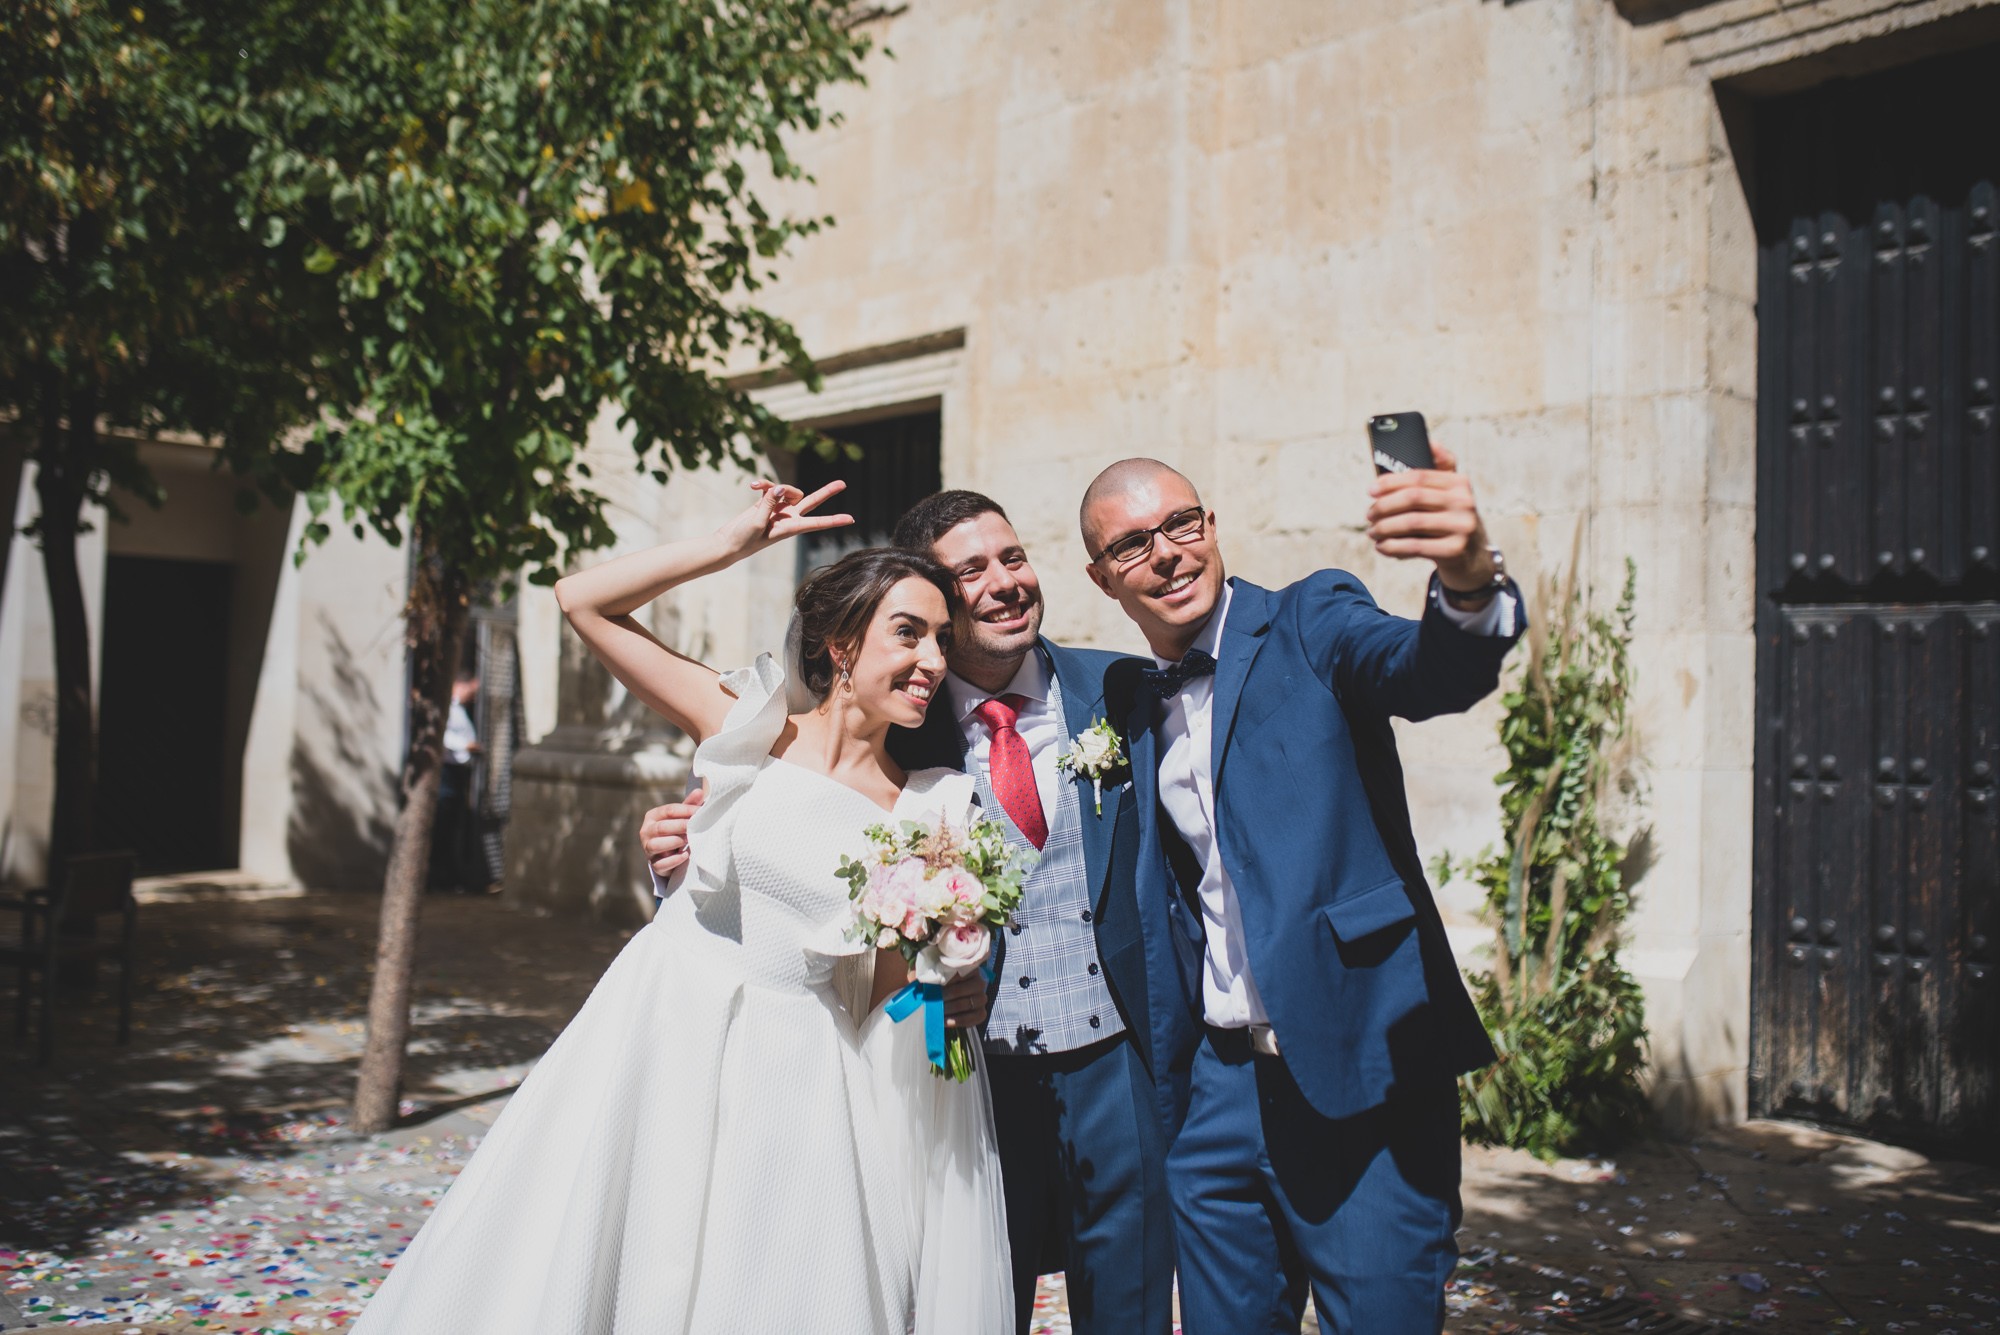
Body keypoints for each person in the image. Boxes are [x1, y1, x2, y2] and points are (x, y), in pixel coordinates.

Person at [352, 480, 1014, 1335]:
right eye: (908, 632)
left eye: (941, 640)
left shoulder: (929, 810)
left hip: (800, 1074)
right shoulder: (750, 725)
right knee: (588, 1260)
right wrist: (732, 543)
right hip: (660, 1027)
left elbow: (885, 998)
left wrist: (949, 979)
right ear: (842, 645)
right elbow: (581, 601)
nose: (931, 660)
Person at [641, 491, 1174, 1335]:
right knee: (966, 1300)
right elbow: (786, 847)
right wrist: (680, 847)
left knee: (1134, 1303)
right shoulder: (903, 734)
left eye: (1013, 556)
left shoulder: (1126, 689)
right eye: (972, 571)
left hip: (1118, 1063)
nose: (1005, 582)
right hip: (970, 1079)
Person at [1078, 452, 1523, 1334]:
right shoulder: (1127, 700)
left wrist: (1468, 577)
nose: (1166, 552)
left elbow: (1423, 667)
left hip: (1361, 1069)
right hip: (1215, 1095)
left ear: (1212, 526)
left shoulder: (1312, 618)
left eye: (1182, 523)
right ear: (1102, 578)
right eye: (1133, 544)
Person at [430, 671, 482, 892]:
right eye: (471, 691)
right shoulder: (448, 708)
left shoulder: (459, 709)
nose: (472, 697)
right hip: (447, 773)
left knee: (451, 828)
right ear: (460, 686)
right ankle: (437, 879)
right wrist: (466, 746)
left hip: (456, 774)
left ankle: (447, 878)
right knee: (442, 828)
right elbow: (442, 737)